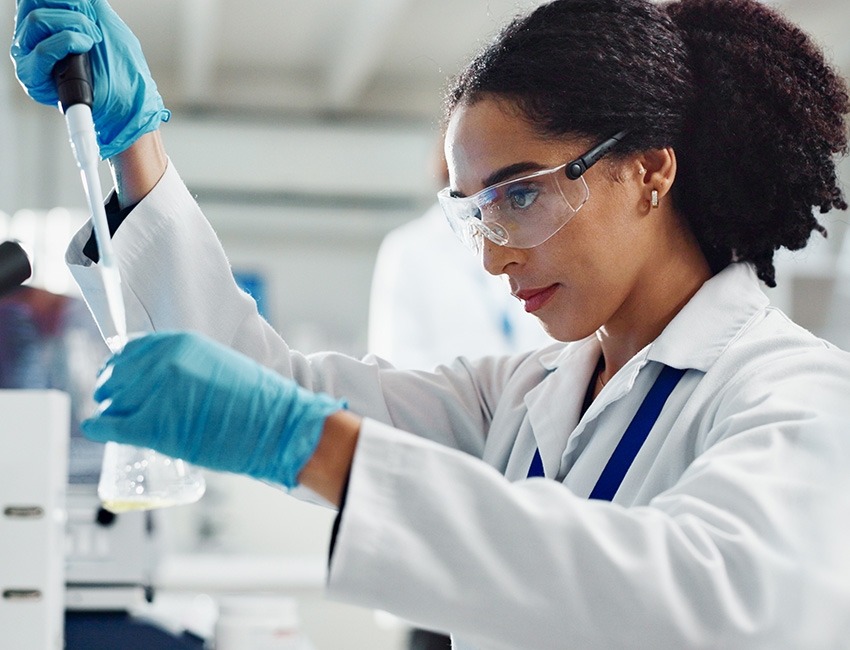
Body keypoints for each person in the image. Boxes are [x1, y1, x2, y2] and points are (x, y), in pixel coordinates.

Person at [12, 0, 850, 648]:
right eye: (477, 214)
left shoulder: (794, 394)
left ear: (647, 169)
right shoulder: (522, 399)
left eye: (520, 194)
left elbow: (719, 605)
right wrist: (136, 148)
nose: (494, 256)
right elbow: (264, 381)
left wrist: (315, 443)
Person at [368, 146, 553, 370]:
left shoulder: (536, 233)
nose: (492, 263)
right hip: (445, 401)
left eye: (520, 196)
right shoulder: (409, 248)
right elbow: (397, 364)